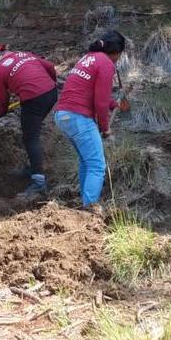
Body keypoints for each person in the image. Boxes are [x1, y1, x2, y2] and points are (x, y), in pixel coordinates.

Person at [54, 31, 131, 214]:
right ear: (117, 51)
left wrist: (114, 104)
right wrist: (105, 128)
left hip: (62, 115)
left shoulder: (88, 58)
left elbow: (91, 93)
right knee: (97, 165)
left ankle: (84, 204)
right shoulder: (106, 63)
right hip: (78, 118)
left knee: (86, 162)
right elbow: (100, 102)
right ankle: (89, 211)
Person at [0, 43, 59, 199]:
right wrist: (51, 82)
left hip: (34, 99)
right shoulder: (24, 54)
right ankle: (32, 167)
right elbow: (50, 66)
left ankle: (38, 181)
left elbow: (3, 98)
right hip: (51, 94)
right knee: (31, 132)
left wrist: (2, 111)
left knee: (31, 138)